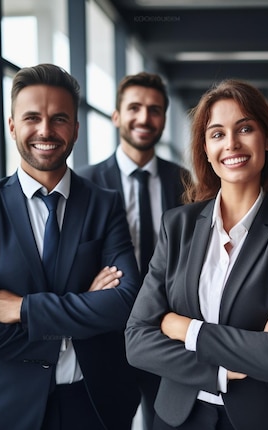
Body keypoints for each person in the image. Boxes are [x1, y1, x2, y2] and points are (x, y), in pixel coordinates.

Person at [0, 63, 141, 430]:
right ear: (13, 125)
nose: (46, 130)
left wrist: (22, 308)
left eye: (59, 118)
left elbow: (127, 304)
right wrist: (69, 327)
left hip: (96, 405)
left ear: (76, 129)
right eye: (32, 117)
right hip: (7, 409)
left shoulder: (104, 203)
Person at [125, 79, 268, 430]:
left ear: (266, 138)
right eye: (217, 134)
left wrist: (183, 327)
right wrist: (226, 365)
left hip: (258, 419)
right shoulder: (178, 225)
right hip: (177, 417)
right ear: (205, 147)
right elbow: (138, 340)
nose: (231, 143)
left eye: (244, 128)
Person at [77, 71, 190, 430]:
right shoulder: (84, 184)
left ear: (164, 119)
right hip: (106, 339)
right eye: (135, 108)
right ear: (116, 116)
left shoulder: (187, 182)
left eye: (154, 110)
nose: (144, 118)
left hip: (168, 336)